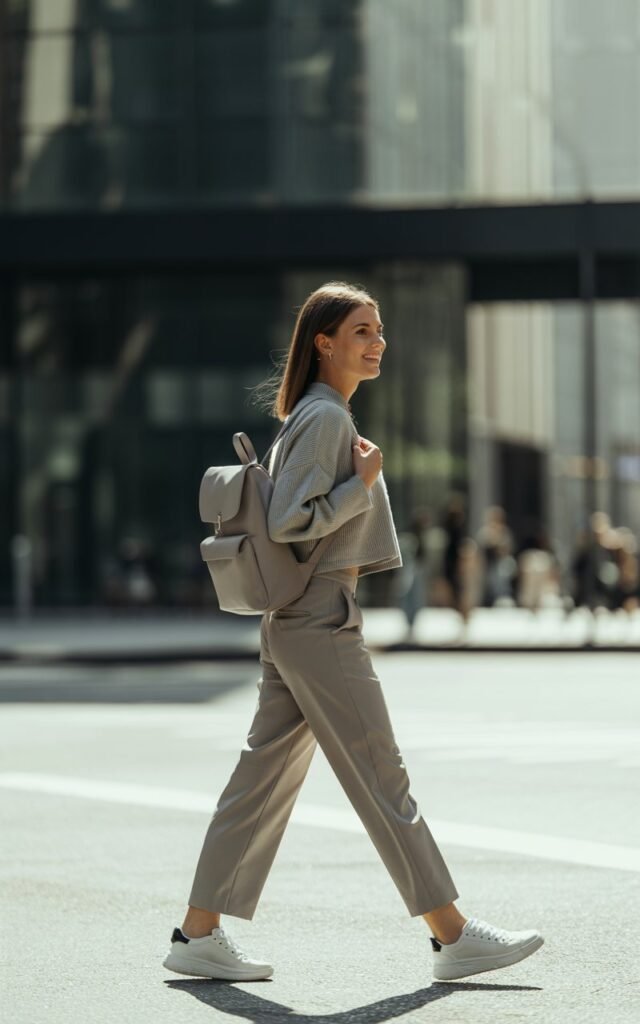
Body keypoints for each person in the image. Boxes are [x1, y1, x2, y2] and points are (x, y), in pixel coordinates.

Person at [163, 282, 544, 983]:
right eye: (362, 330)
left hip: (295, 620)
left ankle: (197, 935)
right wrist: (359, 484)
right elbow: (288, 523)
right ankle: (453, 934)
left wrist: (354, 480)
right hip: (319, 619)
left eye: (380, 330)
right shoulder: (327, 417)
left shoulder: (316, 415)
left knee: (261, 779)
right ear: (325, 342)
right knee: (379, 774)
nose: (378, 342)